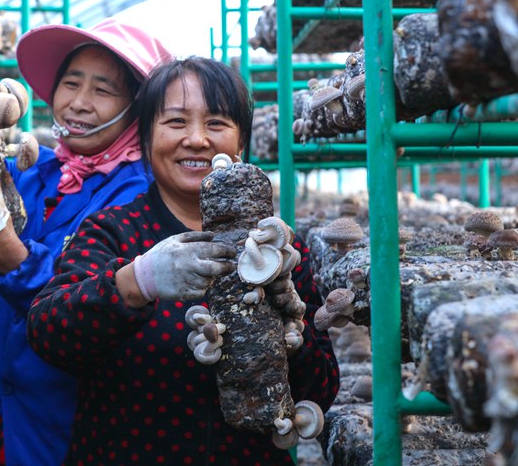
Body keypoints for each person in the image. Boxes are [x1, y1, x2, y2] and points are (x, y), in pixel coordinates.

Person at [28, 56, 339, 464]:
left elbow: (322, 385)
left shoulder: (276, 247)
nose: (196, 139)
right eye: (175, 122)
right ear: (145, 138)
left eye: (216, 123)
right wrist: (138, 280)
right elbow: (49, 333)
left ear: (240, 142)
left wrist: (288, 333)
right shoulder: (113, 230)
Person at [0, 18, 173, 466]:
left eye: (103, 90)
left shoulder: (140, 194)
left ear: (138, 108)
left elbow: (92, 300)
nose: (79, 103)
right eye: (71, 84)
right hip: (0, 405)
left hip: (71, 419)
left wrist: (5, 244)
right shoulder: (35, 168)